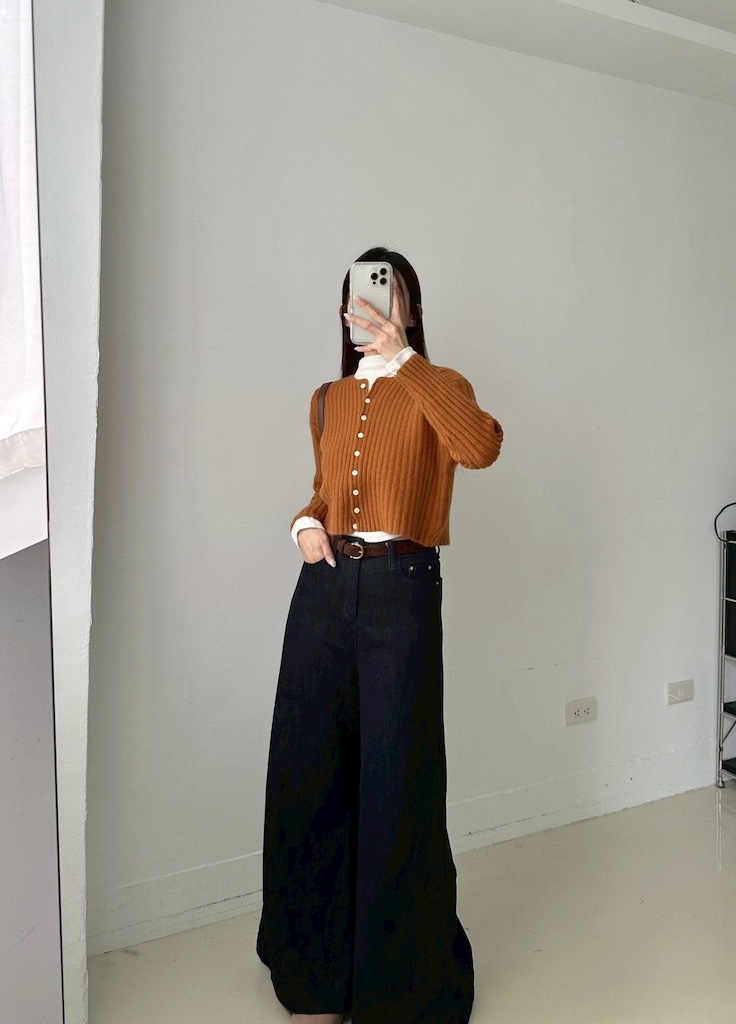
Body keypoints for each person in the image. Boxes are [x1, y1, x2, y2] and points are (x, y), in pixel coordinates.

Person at [256, 247, 503, 1024]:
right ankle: (314, 979)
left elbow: (480, 447)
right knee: (308, 775)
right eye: (357, 296)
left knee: (398, 782)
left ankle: (400, 990)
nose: (367, 307)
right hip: (323, 590)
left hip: (402, 590)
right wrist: (304, 524)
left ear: (411, 308)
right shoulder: (326, 399)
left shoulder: (440, 386)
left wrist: (406, 362)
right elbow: (326, 493)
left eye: (385, 292)